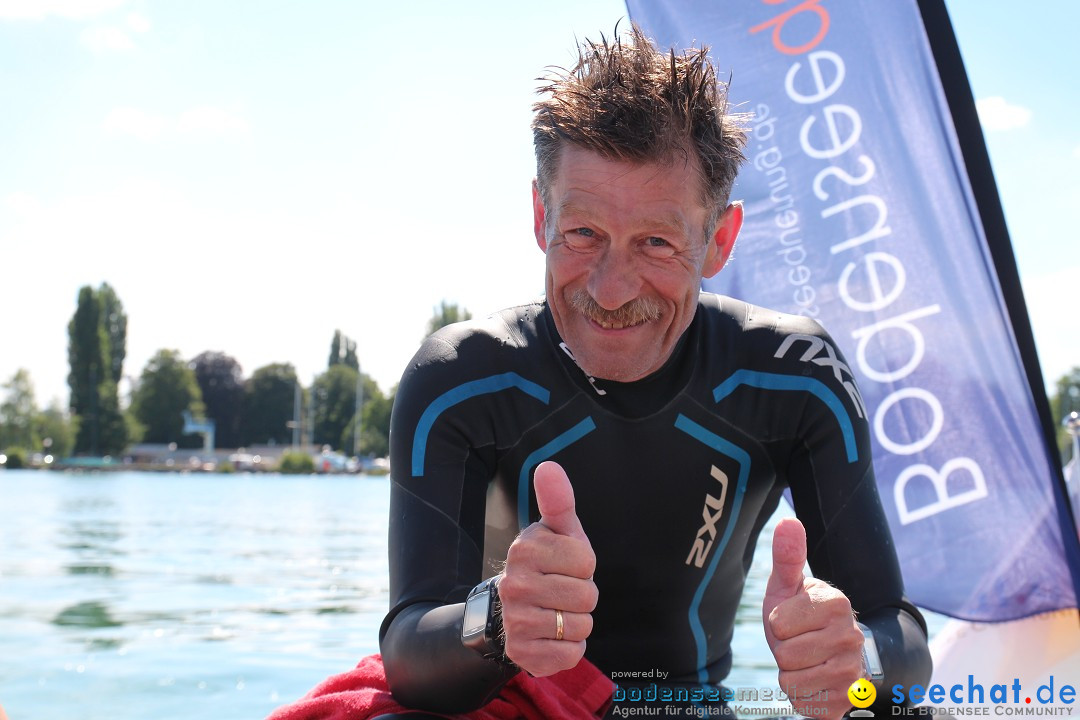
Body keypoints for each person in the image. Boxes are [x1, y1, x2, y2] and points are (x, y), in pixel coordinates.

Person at [275, 24, 933, 720]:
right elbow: (411, 667)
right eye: (584, 233)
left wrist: (853, 659)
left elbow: (903, 651)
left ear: (720, 241)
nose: (612, 290)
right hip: (514, 704)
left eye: (656, 242)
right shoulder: (459, 381)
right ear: (540, 215)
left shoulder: (796, 378)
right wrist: (497, 621)